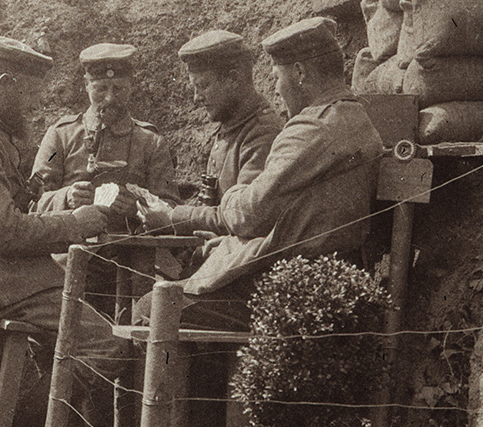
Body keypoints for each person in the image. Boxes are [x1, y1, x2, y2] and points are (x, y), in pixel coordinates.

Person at [0, 34, 126, 427]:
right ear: (3, 85)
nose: (33, 107)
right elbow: (8, 235)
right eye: (29, 95)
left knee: (59, 349)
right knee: (109, 345)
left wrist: (32, 191)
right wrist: (79, 221)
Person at [138, 16, 384, 330]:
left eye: (276, 77)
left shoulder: (312, 127)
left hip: (291, 287)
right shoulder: (352, 116)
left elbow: (249, 212)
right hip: (317, 276)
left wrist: (228, 202)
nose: (277, 90)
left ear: (299, 73)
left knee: (149, 308)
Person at [148, 29, 280, 234]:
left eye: (203, 86)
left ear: (233, 79)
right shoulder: (232, 126)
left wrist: (173, 218)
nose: (196, 98)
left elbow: (243, 215)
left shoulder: (262, 134)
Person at [31, 43, 179, 212]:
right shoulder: (61, 136)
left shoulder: (151, 143)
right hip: (72, 237)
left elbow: (172, 208)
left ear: (131, 86)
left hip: (132, 238)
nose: (110, 98)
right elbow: (31, 202)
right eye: (101, 89)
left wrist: (138, 206)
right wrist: (65, 197)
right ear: (86, 85)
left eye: (119, 88)